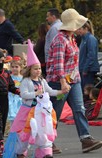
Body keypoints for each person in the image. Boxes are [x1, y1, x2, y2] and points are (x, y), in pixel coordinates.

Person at [46, 8, 102, 153]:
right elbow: (58, 64)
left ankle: (86, 139)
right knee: (54, 113)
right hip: (59, 82)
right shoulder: (60, 40)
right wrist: (63, 82)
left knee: (79, 109)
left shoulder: (71, 38)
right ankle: (47, 142)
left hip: (73, 80)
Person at [3, 39, 64, 158]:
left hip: (40, 113)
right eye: (35, 68)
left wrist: (61, 92)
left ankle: (44, 152)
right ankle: (20, 152)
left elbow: (50, 91)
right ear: (30, 70)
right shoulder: (26, 81)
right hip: (27, 111)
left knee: (43, 133)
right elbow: (23, 94)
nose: (38, 71)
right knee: (24, 134)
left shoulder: (42, 80)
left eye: (39, 69)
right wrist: (36, 93)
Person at [78, 20, 100, 90]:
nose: (78, 31)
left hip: (88, 70)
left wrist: (85, 69)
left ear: (86, 28)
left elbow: (91, 56)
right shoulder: (83, 39)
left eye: (80, 29)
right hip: (83, 68)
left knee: (86, 89)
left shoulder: (90, 39)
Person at [5, 55, 23, 135]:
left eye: (17, 67)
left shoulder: (23, 78)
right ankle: (9, 130)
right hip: (10, 97)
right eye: (13, 67)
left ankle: (18, 129)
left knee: (19, 114)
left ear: (21, 67)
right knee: (10, 114)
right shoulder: (8, 77)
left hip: (19, 98)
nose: (14, 68)